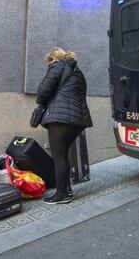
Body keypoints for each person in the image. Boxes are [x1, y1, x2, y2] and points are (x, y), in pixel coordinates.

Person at [36, 47, 93, 204]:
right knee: (63, 156)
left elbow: (41, 93)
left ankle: (61, 194)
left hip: (60, 119)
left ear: (53, 59)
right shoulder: (77, 71)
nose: (48, 65)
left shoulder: (57, 66)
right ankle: (66, 189)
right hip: (78, 120)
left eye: (49, 62)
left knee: (59, 157)